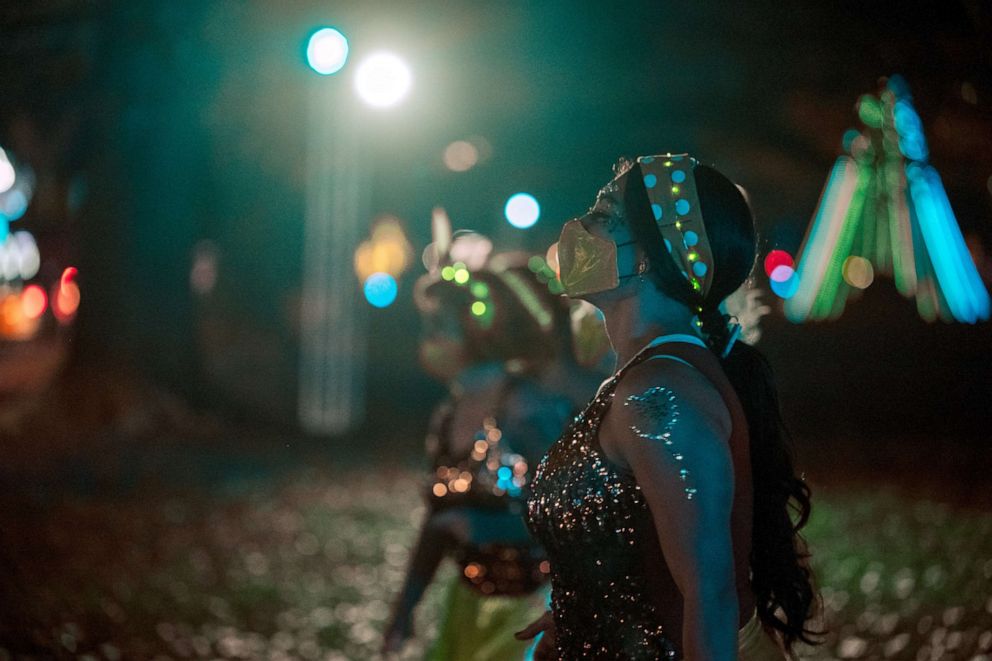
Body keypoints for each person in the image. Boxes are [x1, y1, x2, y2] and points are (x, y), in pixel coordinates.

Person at [518, 155, 820, 659]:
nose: (580, 227)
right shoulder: (641, 379)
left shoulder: (659, 396)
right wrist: (583, 613)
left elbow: (710, 596)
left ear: (648, 258)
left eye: (605, 215)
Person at [383, 253, 599, 660]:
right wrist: (404, 610)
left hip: (530, 612)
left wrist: (490, 526)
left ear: (477, 330)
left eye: (440, 326)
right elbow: (436, 523)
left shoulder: (525, 406)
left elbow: (578, 518)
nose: (428, 340)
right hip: (465, 607)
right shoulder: (447, 414)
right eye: (425, 326)